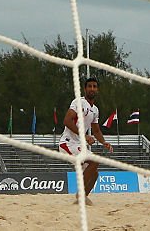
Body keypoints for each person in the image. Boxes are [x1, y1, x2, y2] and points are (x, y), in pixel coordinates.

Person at [59, 77, 113, 205]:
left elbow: (97, 131)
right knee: (95, 161)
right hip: (67, 143)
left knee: (94, 174)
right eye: (89, 86)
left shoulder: (95, 110)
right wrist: (84, 136)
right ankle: (80, 194)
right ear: (85, 89)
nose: (92, 89)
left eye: (94, 86)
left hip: (78, 145)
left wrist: (104, 142)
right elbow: (67, 121)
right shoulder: (79, 102)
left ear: (97, 89)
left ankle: (82, 199)